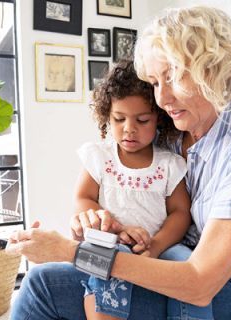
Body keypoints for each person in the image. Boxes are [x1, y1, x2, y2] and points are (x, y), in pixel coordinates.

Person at [8, 5, 231, 320]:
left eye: (171, 77)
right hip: (170, 258)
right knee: (39, 283)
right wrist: (104, 224)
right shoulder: (167, 136)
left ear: (212, 70)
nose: (163, 98)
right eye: (156, 83)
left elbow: (200, 283)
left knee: (56, 287)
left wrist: (68, 251)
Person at [75, 60, 191, 319]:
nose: (129, 128)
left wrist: (156, 246)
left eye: (142, 120)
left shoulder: (169, 164)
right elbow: (83, 198)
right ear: (107, 115)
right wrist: (114, 228)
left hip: (161, 246)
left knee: (188, 264)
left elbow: (180, 213)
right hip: (111, 241)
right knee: (104, 262)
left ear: (159, 118)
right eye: (119, 119)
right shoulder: (99, 156)